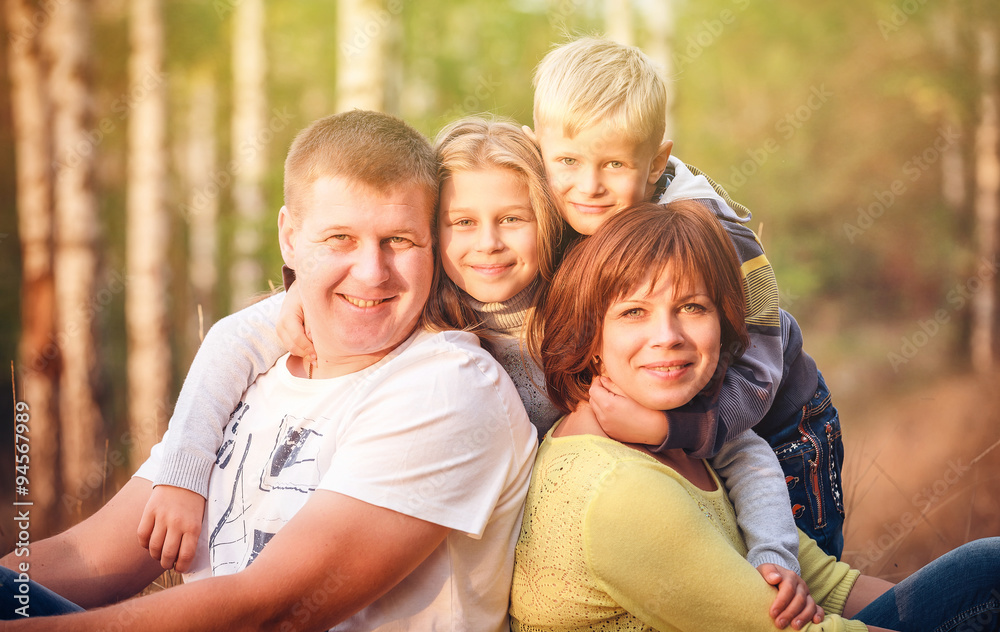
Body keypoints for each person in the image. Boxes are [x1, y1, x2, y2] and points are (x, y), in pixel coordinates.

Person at [0, 110, 538, 631]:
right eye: (339, 239)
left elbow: (271, 615)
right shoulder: (252, 369)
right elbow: (90, 554)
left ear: (432, 245)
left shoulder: (447, 384)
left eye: (399, 240)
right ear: (289, 237)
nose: (372, 272)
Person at [510, 201, 1000, 632]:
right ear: (592, 337)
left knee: (987, 572)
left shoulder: (694, 438)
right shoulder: (616, 488)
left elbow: (824, 581)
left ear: (724, 324)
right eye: (633, 312)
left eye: (691, 307)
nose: (668, 335)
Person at [523, 36, 845, 558]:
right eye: (566, 160)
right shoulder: (568, 214)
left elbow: (761, 374)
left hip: (776, 423)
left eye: (614, 165)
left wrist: (665, 428)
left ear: (656, 163)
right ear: (538, 153)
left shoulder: (718, 234)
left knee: (800, 582)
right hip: (682, 406)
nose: (589, 186)